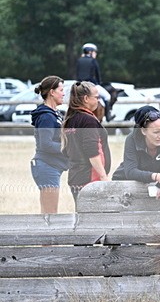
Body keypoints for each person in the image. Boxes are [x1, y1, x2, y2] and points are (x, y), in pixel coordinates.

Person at [112, 105, 160, 198]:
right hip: (124, 184)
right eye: (156, 132)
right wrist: (156, 176)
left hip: (155, 188)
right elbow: (131, 171)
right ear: (143, 131)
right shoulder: (131, 139)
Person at [62, 81, 111, 204]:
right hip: (90, 180)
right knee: (94, 220)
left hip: (76, 177)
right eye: (96, 97)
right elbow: (92, 151)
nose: (98, 100)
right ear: (86, 99)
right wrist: (103, 176)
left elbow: (65, 151)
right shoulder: (88, 121)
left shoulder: (70, 119)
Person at [30, 76, 68, 214]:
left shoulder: (54, 114)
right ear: (52, 92)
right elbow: (45, 144)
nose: (64, 93)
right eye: (61, 90)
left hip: (51, 167)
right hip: (47, 167)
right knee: (50, 213)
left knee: (48, 213)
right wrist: (67, 149)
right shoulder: (46, 117)